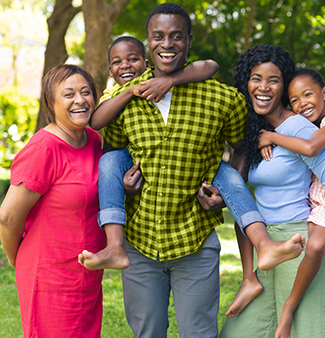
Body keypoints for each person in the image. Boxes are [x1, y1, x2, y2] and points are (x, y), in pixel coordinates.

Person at [100, 4, 257, 337]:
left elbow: (243, 146)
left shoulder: (222, 98)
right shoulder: (127, 98)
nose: (167, 44)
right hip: (139, 243)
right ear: (148, 42)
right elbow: (113, 152)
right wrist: (123, 187)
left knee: (198, 332)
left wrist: (227, 193)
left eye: (176, 36)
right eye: (158, 37)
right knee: (148, 332)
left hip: (195, 242)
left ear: (188, 40)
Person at [218, 44, 325, 338]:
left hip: (302, 245)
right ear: (246, 83)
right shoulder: (258, 132)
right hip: (266, 247)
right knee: (239, 333)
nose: (263, 87)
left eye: (274, 80)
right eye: (256, 78)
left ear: (283, 88)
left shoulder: (298, 128)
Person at [77, 35, 225, 271]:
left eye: (132, 59)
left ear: (147, 65)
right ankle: (114, 245)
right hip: (129, 159)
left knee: (228, 175)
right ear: (110, 70)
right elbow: (95, 121)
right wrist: (128, 92)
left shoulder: (169, 87)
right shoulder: (113, 93)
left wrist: (170, 81)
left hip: (175, 164)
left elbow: (211, 66)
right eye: (117, 62)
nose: (124, 65)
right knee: (108, 161)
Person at [0, 64, 106, 337]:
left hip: (86, 272)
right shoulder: (43, 148)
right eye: (68, 94)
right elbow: (8, 217)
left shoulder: (92, 140)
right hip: (49, 277)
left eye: (86, 92)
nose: (80, 100)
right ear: (51, 102)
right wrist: (17, 258)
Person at [254, 68, 325, 338]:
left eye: (308, 95)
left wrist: (273, 137)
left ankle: (289, 309)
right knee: (316, 245)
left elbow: (311, 148)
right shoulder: (308, 126)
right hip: (316, 200)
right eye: (294, 100)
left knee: (317, 244)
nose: (301, 104)